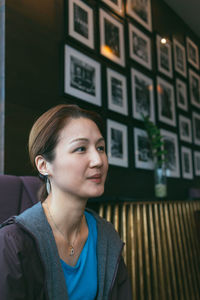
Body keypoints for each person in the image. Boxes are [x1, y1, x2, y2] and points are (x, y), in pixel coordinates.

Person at [0, 104, 132, 300]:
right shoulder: (12, 243)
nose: (98, 160)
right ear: (44, 165)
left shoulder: (106, 236)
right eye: (80, 148)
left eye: (101, 148)